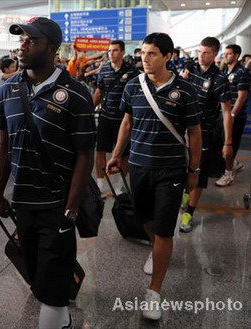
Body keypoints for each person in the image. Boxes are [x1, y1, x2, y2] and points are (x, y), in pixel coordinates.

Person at [0, 17, 96, 329]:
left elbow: (85, 153)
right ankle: (61, 318)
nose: (22, 46)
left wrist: (72, 208)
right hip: (22, 201)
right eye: (21, 39)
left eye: (31, 41)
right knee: (38, 274)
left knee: (51, 284)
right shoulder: (6, 90)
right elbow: (4, 144)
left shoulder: (76, 93)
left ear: (52, 48)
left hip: (57, 202)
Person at [106, 33, 201, 320]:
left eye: (152, 54)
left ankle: (154, 291)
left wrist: (194, 170)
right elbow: (127, 121)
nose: (145, 59)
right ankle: (154, 249)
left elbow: (195, 133)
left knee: (163, 229)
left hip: (170, 169)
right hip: (138, 166)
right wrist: (116, 153)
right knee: (145, 217)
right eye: (143, 53)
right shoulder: (133, 85)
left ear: (168, 57)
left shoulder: (185, 90)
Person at [179, 37, 232, 232]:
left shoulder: (220, 80)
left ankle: (188, 214)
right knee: (183, 166)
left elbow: (226, 112)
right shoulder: (189, 68)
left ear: (215, 55)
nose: (201, 56)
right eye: (200, 51)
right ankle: (186, 192)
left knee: (198, 173)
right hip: (182, 128)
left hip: (204, 132)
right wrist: (181, 81)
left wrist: (228, 142)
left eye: (206, 53)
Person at [92, 40, 140, 196]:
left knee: (124, 155)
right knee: (100, 151)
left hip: (124, 120)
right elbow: (99, 92)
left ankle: (120, 185)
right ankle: (100, 184)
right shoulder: (104, 69)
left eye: (114, 50)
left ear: (122, 52)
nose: (110, 53)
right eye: (109, 51)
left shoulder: (132, 72)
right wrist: (88, 111)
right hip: (106, 117)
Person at [215, 44, 251, 187]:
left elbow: (242, 96)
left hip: (235, 116)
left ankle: (228, 174)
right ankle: (233, 164)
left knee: (230, 144)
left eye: (229, 54)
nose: (226, 56)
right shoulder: (225, 72)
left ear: (236, 55)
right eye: (225, 53)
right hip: (224, 114)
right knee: (221, 143)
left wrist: (233, 114)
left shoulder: (242, 72)